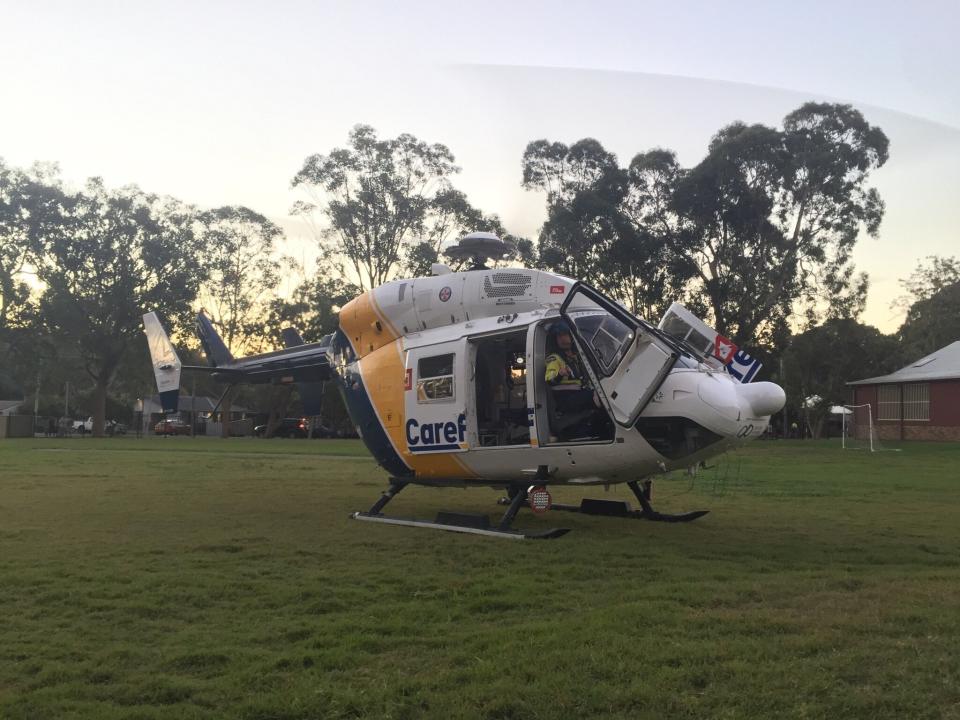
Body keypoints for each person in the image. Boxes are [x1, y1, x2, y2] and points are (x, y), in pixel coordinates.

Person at [545, 322, 602, 438]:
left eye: (564, 335)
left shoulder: (578, 356)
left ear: (571, 336)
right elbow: (549, 379)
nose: (562, 339)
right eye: (559, 336)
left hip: (580, 395)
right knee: (600, 397)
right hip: (566, 399)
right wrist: (560, 374)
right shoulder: (554, 358)